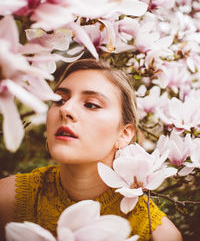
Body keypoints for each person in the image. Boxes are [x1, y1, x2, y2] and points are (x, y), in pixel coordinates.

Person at [0, 59, 182, 241]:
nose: (66, 109)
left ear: (124, 134)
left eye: (91, 104)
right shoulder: (7, 201)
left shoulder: (158, 234)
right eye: (60, 100)